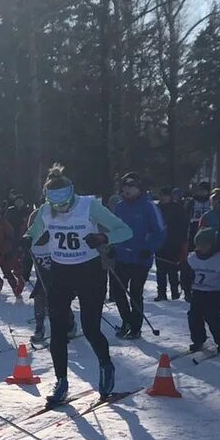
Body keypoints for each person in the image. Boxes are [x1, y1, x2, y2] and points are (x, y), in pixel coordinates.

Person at [23, 164, 134, 403]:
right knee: (58, 330)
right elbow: (34, 232)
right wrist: (27, 240)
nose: (61, 209)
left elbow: (125, 231)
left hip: (89, 272)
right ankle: (61, 381)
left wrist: (103, 237)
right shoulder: (45, 210)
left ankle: (106, 366)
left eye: (64, 204)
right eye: (56, 204)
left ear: (72, 194)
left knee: (90, 327)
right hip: (60, 272)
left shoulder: (89, 206)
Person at [108, 172, 166, 340]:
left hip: (141, 258)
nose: (127, 190)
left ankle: (136, 327)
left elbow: (160, 232)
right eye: (125, 187)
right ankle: (127, 321)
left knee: (135, 292)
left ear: (139, 189)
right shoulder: (119, 207)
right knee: (117, 292)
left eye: (131, 187)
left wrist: (149, 248)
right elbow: (113, 229)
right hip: (121, 256)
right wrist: (111, 245)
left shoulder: (148, 206)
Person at [179, 227, 220, 354]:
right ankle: (198, 340)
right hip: (198, 290)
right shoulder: (192, 258)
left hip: (217, 291)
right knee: (194, 315)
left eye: (204, 245)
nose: (200, 248)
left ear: (212, 245)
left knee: (211, 315)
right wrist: (186, 290)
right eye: (198, 245)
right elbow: (185, 275)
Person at [155, 186, 188, 301]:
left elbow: (183, 225)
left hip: (174, 242)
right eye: (161, 195)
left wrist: (182, 240)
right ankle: (161, 293)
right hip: (160, 243)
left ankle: (175, 292)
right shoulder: (156, 208)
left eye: (165, 195)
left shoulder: (177, 208)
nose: (163, 198)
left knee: (173, 270)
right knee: (160, 271)